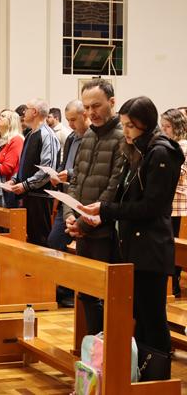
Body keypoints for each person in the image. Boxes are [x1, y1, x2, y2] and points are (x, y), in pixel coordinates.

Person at [79, 96, 184, 378]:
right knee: (139, 316)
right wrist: (101, 215)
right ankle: (139, 377)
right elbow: (125, 196)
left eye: (130, 125)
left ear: (145, 124)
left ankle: (157, 380)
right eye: (124, 124)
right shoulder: (137, 149)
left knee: (152, 318)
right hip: (132, 246)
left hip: (151, 248)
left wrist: (106, 209)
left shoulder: (161, 153)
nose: (124, 131)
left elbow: (151, 207)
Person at [64, 78, 124, 335]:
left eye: (96, 106)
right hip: (83, 227)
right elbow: (75, 179)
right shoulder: (88, 135)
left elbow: (114, 187)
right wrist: (70, 215)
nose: (91, 112)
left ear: (112, 102)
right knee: (86, 293)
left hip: (105, 230)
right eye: (87, 107)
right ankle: (93, 349)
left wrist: (83, 223)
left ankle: (109, 349)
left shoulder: (122, 136)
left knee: (107, 294)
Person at [46, 100, 90, 307]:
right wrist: (58, 175)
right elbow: (67, 163)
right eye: (68, 120)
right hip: (67, 197)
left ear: (84, 115)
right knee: (54, 241)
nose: (70, 124)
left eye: (73, 120)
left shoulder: (92, 137)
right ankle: (62, 288)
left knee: (78, 247)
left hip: (84, 199)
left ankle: (71, 291)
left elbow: (86, 169)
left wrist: (69, 174)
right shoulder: (72, 137)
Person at [8, 99, 60, 247]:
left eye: (27, 109)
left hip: (40, 197)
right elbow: (25, 164)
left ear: (35, 112)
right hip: (28, 194)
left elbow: (47, 170)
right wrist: (15, 179)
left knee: (40, 240)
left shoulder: (47, 135)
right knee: (30, 240)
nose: (24, 112)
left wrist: (25, 185)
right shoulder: (30, 134)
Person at [160, 108, 187, 296]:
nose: (164, 130)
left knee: (173, 243)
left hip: (179, 203)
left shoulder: (182, 146)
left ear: (177, 127)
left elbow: (179, 172)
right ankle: (172, 282)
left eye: (167, 127)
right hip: (170, 202)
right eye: (162, 126)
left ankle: (174, 282)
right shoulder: (171, 145)